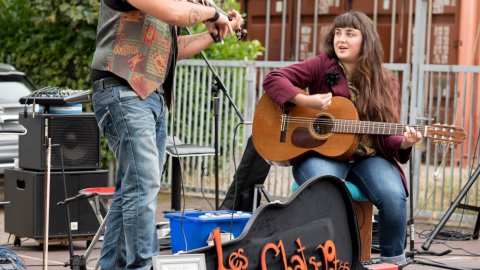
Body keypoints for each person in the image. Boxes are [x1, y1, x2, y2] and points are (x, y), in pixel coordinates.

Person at [89, 0, 243, 269]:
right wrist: (214, 13)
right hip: (123, 90)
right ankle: (144, 265)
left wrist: (212, 33)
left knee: (132, 188)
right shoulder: (168, 6)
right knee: (144, 185)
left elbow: (172, 50)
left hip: (152, 98)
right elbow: (178, 13)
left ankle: (111, 265)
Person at [261, 11, 422, 265]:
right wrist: (306, 100)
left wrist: (404, 142)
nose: (341, 39)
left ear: (365, 40)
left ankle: (394, 260)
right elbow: (273, 79)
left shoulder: (385, 80)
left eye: (350, 33)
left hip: (367, 157)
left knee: (393, 195)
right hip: (322, 153)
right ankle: (331, 260)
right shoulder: (322, 65)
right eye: (338, 33)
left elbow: (387, 133)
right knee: (326, 186)